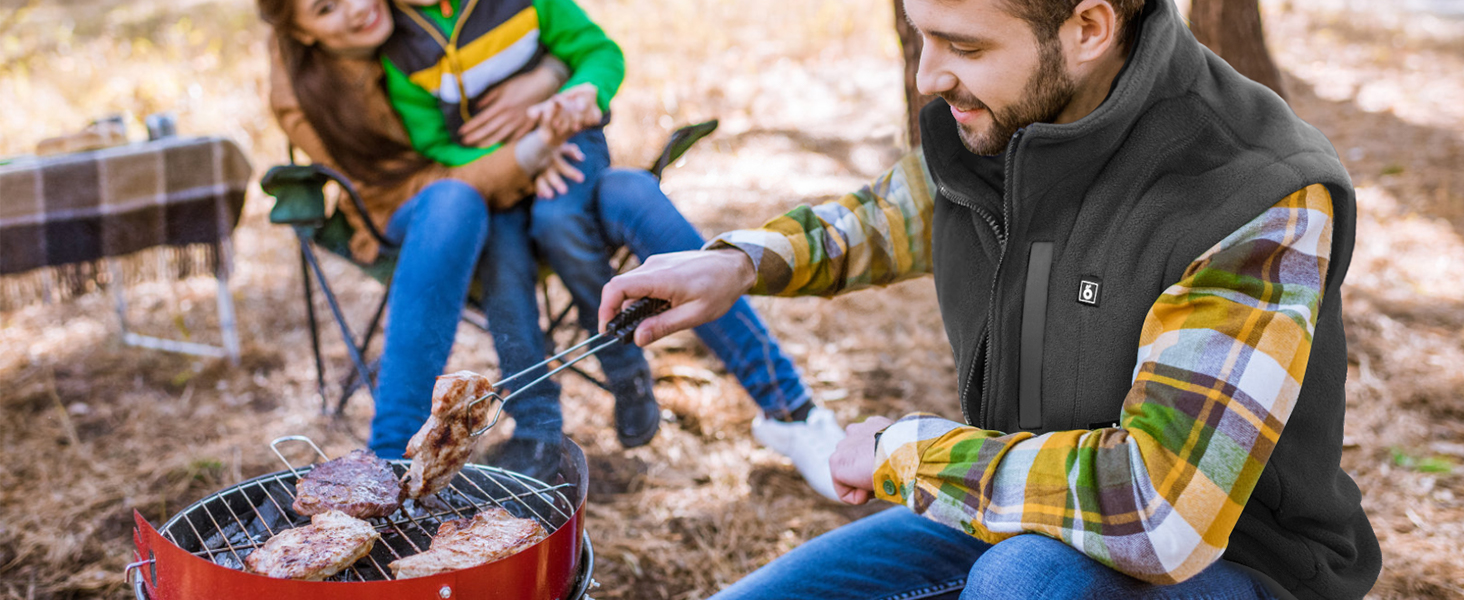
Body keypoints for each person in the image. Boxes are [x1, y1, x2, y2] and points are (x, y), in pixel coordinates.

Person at [599, 0, 1380, 597]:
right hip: (1021, 504)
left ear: (1089, 27)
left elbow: (1157, 513)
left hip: (1236, 562)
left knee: (1024, 581)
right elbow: (893, 212)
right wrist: (738, 264)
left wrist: (904, 453)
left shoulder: (1254, 193)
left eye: (963, 46)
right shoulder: (1010, 114)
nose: (927, 77)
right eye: (922, 34)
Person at [261, 0, 848, 497]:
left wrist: (550, 91)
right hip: (461, 211)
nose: (357, 7)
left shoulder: (425, 17)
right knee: (471, 210)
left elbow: (588, 48)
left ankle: (793, 412)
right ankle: (395, 460)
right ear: (300, 29)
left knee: (633, 192)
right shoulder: (346, 66)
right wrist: (529, 149)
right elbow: (433, 165)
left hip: (553, 174)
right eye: (324, 7)